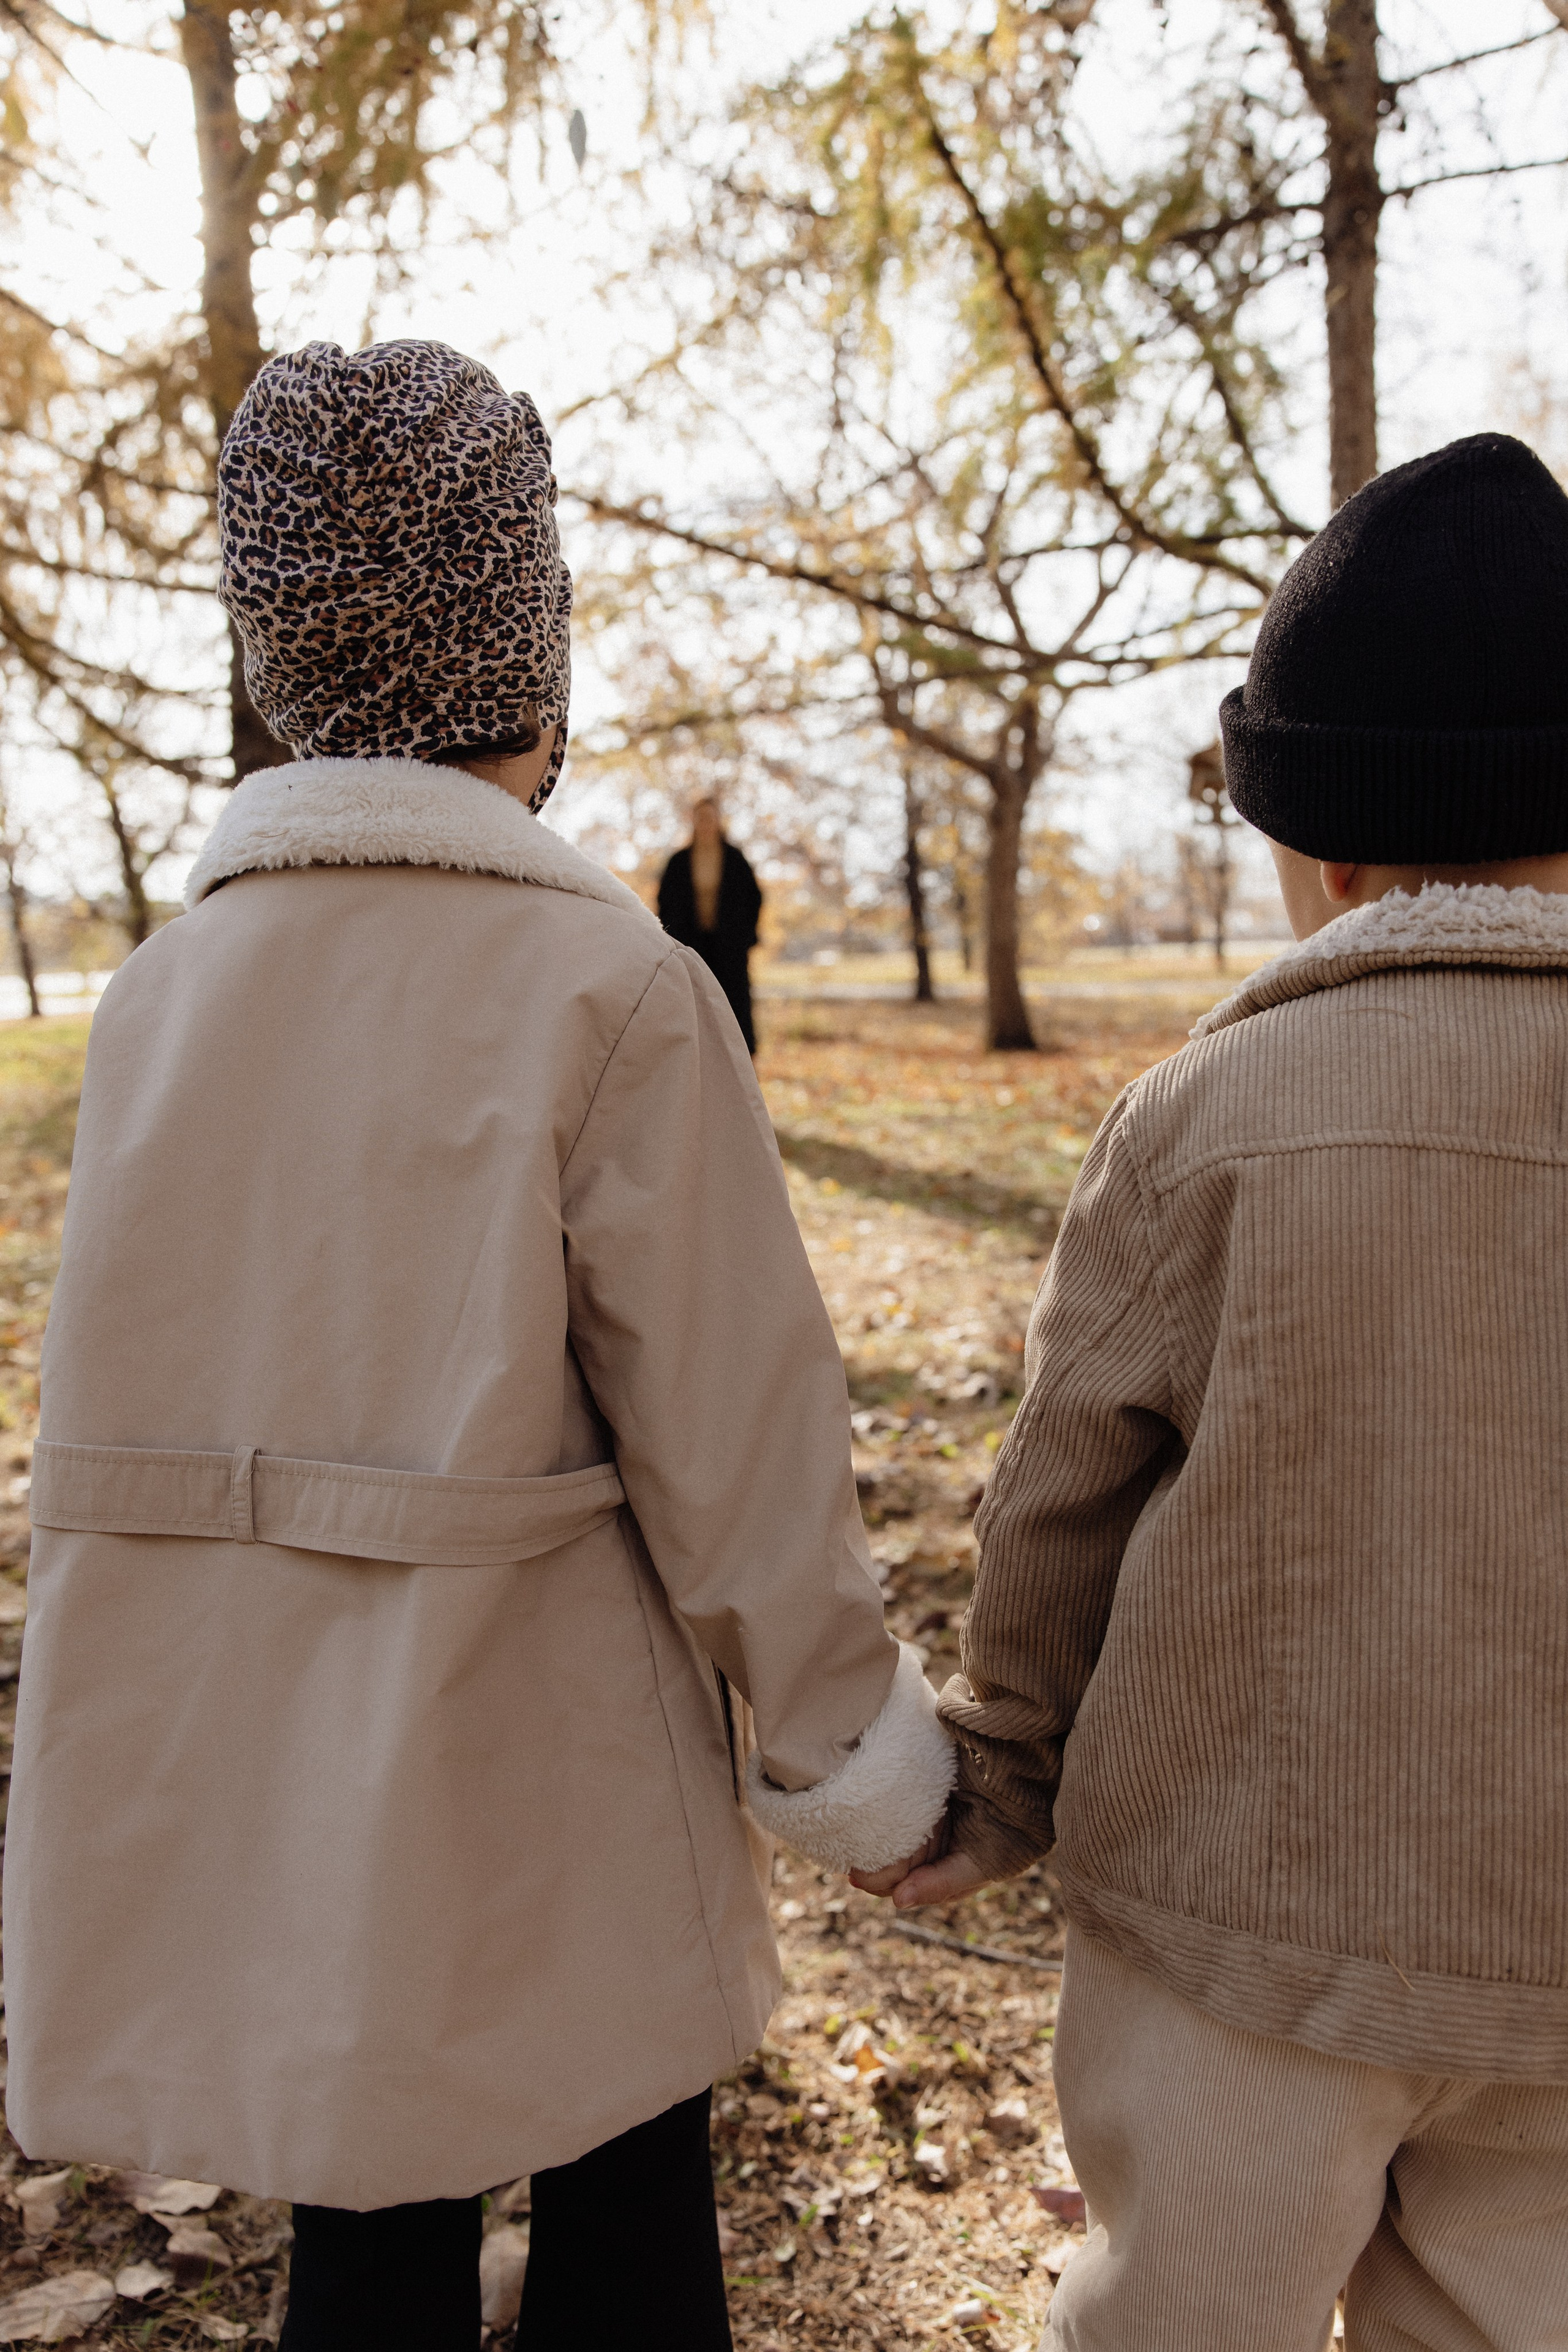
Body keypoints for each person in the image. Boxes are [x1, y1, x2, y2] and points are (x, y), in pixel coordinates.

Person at [2, 341, 956, 2352]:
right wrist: (852, 1748)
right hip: (559, 1776)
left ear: (278, 663)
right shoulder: (604, 989)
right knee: (626, 2220)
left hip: (279, 1771)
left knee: (370, 2224)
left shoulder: (165, 1001)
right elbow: (741, 1446)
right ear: (533, 666)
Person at [855, 434, 1568, 2349]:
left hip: (1240, 1933)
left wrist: (1002, 1763)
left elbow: (1065, 1485)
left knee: (1176, 2312)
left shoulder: (1205, 1120)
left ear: (1319, 857)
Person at [657, 798, 763, 1051]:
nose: (706, 823)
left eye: (711, 818)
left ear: (719, 822)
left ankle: (741, 1057)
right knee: (694, 1001)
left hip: (729, 947)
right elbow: (665, 902)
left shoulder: (735, 859)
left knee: (734, 1002)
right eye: (701, 817)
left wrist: (745, 937)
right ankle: (694, 1054)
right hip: (692, 946)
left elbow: (754, 898)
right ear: (694, 822)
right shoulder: (679, 861)